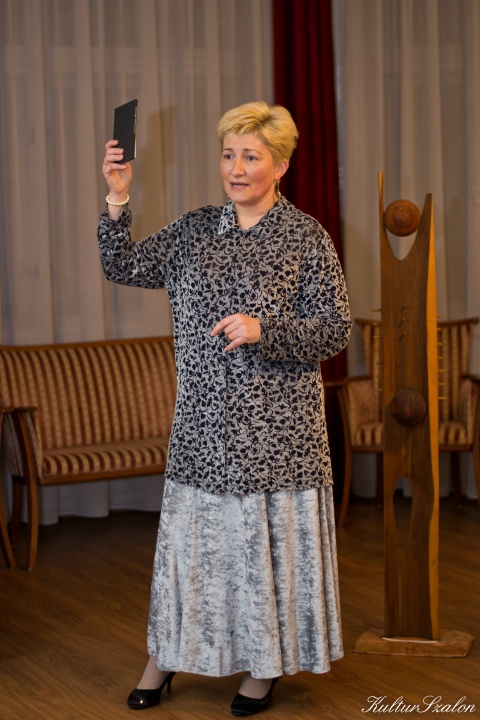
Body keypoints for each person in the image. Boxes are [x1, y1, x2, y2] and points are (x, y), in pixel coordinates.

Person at [98, 100, 351, 716]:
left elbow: (336, 329)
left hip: (279, 437)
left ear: (280, 165)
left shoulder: (306, 238)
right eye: (228, 155)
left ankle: (262, 670)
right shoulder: (193, 230)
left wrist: (267, 329)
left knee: (262, 562)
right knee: (192, 558)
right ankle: (163, 659)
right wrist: (118, 197)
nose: (236, 169)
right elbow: (121, 264)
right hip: (202, 431)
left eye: (251, 157)